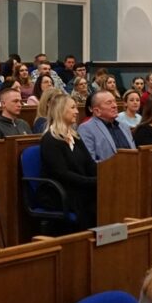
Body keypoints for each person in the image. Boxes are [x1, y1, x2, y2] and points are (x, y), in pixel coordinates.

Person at [39, 95, 97, 229]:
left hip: (79, 187)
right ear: (60, 110)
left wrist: (104, 175)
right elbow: (62, 174)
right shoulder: (50, 140)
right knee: (95, 202)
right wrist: (92, 182)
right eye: (73, 107)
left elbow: (90, 164)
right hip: (60, 192)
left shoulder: (75, 137)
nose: (77, 111)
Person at [80, 90, 135, 163]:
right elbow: (90, 161)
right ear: (97, 111)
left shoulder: (124, 126)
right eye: (109, 103)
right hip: (106, 173)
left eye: (114, 101)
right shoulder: (86, 129)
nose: (115, 105)